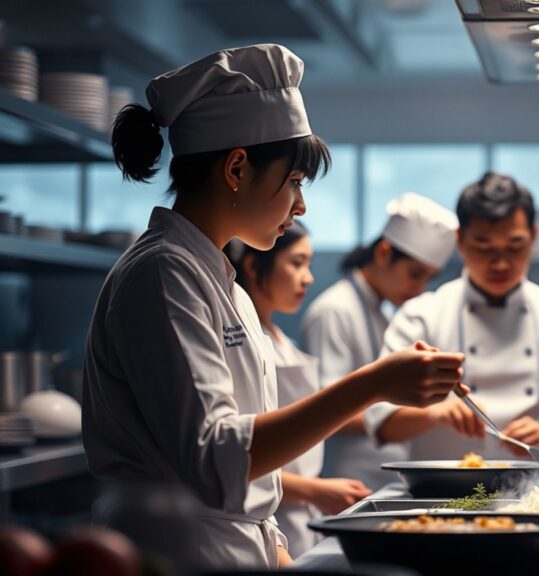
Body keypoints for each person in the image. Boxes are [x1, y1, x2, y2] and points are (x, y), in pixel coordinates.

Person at [83, 44, 463, 570]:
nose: (301, 205)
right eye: (294, 182)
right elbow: (216, 459)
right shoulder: (162, 273)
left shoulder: (225, 285)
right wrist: (374, 383)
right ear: (237, 168)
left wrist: (279, 552)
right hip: (178, 553)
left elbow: (251, 469)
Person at [364, 172, 539, 460]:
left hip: (538, 494)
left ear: (533, 236)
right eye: (484, 247)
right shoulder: (420, 317)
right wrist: (435, 413)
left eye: (514, 247)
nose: (500, 263)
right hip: (443, 497)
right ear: (461, 241)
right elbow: (381, 422)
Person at [226, 224, 372, 558]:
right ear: (252, 265)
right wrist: (313, 490)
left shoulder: (277, 338)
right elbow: (235, 452)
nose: (308, 278)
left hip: (293, 520)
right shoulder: (238, 340)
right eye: (297, 263)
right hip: (266, 510)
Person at [301, 193, 458, 488]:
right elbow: (325, 409)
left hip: (379, 480)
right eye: (415, 274)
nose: (419, 288)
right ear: (384, 253)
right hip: (346, 480)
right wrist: (416, 415)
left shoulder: (382, 314)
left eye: (428, 278)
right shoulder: (334, 311)